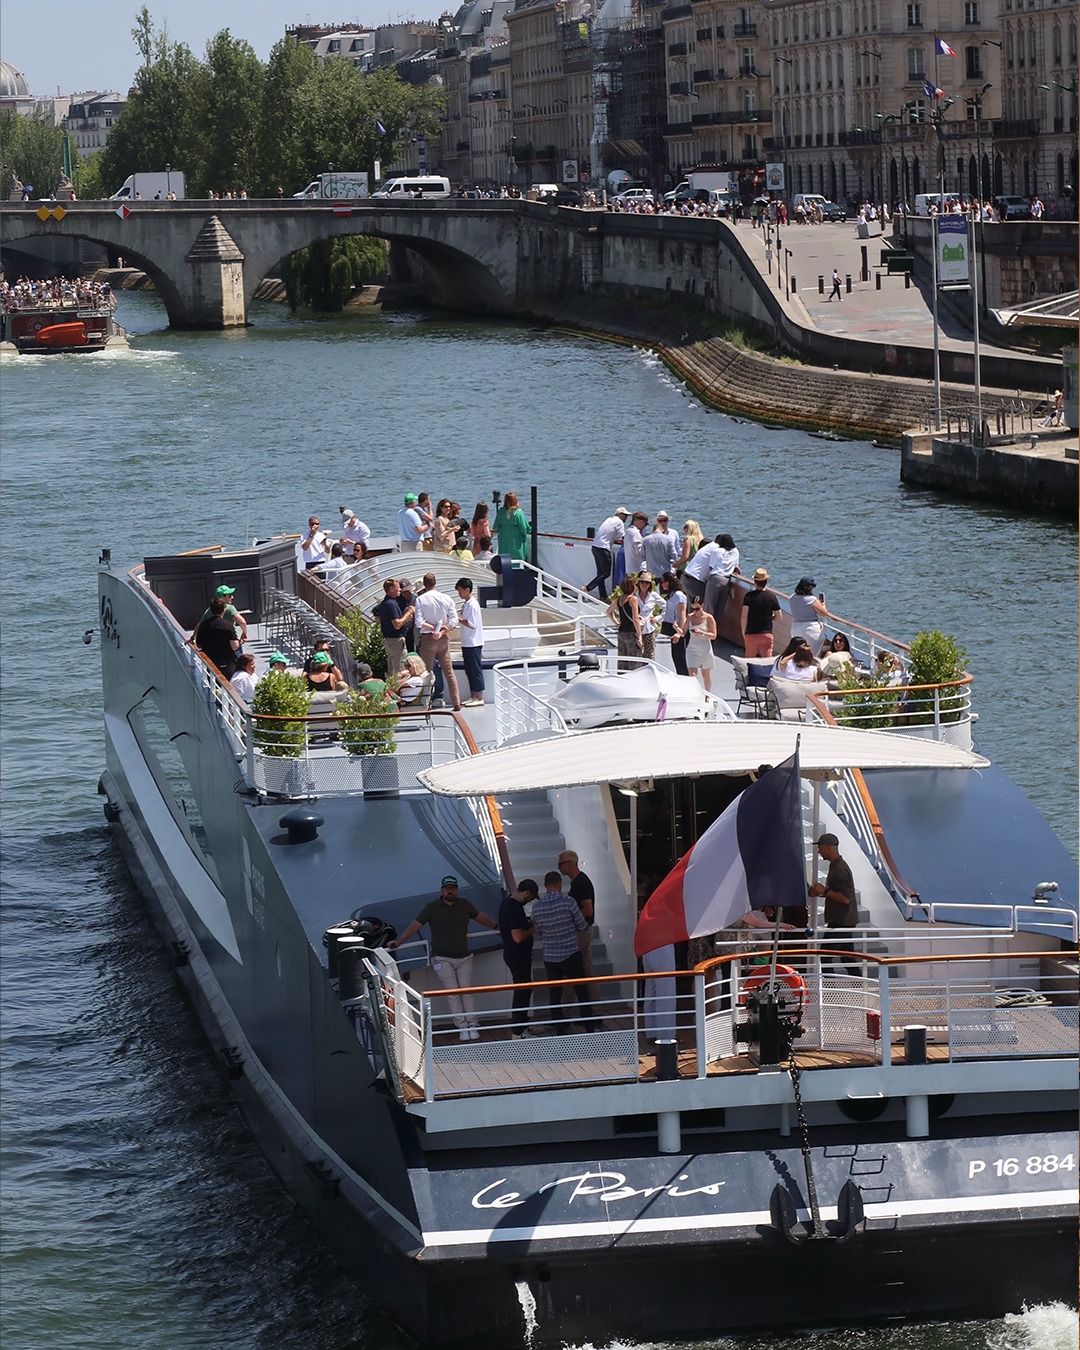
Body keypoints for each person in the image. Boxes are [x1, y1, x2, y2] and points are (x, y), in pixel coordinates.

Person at [390, 876, 498, 1041]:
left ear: (456, 890)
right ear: (442, 890)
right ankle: (462, 1026)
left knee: (467, 991)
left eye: (453, 888)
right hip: (442, 959)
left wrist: (497, 927)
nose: (450, 891)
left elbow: (480, 917)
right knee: (453, 993)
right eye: (447, 888)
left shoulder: (465, 905)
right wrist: (399, 942)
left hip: (464, 957)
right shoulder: (432, 908)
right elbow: (415, 925)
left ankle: (473, 1024)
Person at [530, 870, 592, 1029]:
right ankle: (589, 1027)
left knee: (555, 994)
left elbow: (538, 932)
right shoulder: (569, 902)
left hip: (550, 956)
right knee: (581, 991)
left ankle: (559, 1030)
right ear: (559, 884)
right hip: (571, 953)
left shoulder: (536, 908)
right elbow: (581, 925)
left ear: (545, 886)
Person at [807, 833, 860, 977]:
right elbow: (839, 895)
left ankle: (830, 989)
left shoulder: (839, 869)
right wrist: (821, 893)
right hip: (844, 920)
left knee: (825, 956)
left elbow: (845, 898)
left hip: (840, 922)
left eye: (820, 848)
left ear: (828, 848)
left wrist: (824, 890)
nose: (818, 851)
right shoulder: (837, 866)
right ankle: (860, 986)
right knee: (847, 958)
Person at [415, 573, 461, 711]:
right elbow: (454, 620)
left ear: (424, 584)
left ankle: (425, 704)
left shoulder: (420, 600)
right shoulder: (446, 598)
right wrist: (441, 630)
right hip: (443, 638)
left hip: (428, 639)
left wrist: (433, 629)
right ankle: (456, 703)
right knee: (449, 672)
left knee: (426, 673)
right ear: (436, 583)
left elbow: (418, 622)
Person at [498, 879, 538, 1035]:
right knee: (522, 991)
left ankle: (522, 1024)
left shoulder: (506, 904)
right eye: (531, 897)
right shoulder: (514, 909)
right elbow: (518, 937)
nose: (530, 901)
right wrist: (533, 928)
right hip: (518, 956)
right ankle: (518, 1030)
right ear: (527, 893)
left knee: (524, 990)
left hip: (512, 955)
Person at [558, 850, 596, 978]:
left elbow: (588, 910)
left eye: (560, 864)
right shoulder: (578, 881)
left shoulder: (581, 883)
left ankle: (570, 997)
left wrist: (568, 913)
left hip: (582, 932)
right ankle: (591, 997)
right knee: (586, 969)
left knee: (571, 969)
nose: (559, 868)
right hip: (583, 930)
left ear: (569, 863)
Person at [584, 506, 628, 600]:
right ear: (619, 515)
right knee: (606, 573)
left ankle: (603, 595)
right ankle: (588, 587)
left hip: (595, 547)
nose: (626, 518)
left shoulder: (609, 519)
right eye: (625, 515)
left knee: (600, 573)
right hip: (603, 548)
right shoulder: (619, 522)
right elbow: (622, 537)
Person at [373, 578, 414, 676]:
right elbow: (397, 624)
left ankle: (392, 688)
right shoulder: (391, 604)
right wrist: (409, 613)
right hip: (396, 641)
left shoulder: (386, 603)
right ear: (391, 589)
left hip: (389, 640)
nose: (400, 590)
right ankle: (398, 689)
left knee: (392, 668)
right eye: (398, 588)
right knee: (399, 669)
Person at [455, 577, 485, 707]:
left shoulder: (472, 605)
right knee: (470, 670)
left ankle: (479, 696)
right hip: (468, 642)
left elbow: (471, 624)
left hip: (473, 643)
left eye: (460, 591)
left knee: (475, 670)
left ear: (467, 590)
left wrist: (459, 619)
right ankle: (473, 695)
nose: (459, 593)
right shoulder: (468, 604)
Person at [741, 566, 781, 659]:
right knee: (767, 662)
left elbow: (744, 616)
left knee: (749, 662)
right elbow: (779, 616)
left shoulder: (748, 596)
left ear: (755, 582)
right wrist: (772, 617)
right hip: (766, 634)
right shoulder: (771, 597)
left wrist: (743, 632)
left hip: (751, 634)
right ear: (766, 581)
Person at [195, 597, 240, 677]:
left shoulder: (204, 625)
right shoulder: (227, 625)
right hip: (226, 663)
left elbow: (199, 643)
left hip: (209, 663)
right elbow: (235, 646)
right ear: (224, 609)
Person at [789, 576, 833, 655]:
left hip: (795, 629)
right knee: (812, 655)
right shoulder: (812, 599)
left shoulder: (792, 597)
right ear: (809, 587)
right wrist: (823, 604)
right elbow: (824, 613)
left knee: (799, 654)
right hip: (810, 630)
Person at [682, 595, 717, 691]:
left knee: (706, 675)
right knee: (692, 676)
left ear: (702, 605)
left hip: (705, 649)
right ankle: (696, 694)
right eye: (693, 609)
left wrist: (702, 633)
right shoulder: (689, 617)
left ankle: (708, 694)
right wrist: (677, 629)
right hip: (692, 649)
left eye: (697, 608)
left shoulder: (709, 618)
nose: (695, 611)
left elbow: (714, 635)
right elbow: (683, 632)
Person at [608, 575, 643, 668]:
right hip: (631, 633)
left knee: (622, 661)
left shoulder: (620, 599)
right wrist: (639, 635)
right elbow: (635, 618)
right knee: (634, 662)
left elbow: (609, 611)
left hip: (621, 633)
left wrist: (617, 623)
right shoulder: (633, 599)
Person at [660, 572, 689, 676]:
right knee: (675, 656)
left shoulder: (678, 595)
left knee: (680, 658)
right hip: (672, 627)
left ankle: (685, 680)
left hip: (678, 628)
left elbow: (682, 614)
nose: (662, 584)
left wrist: (679, 632)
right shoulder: (671, 595)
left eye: (663, 582)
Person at [492, 491, 530, 560]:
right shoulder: (519, 512)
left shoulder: (501, 511)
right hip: (516, 539)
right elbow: (524, 528)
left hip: (504, 539)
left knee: (504, 557)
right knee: (516, 557)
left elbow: (495, 527)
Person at [643, 511, 681, 579]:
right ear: (657, 521)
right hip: (658, 570)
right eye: (660, 521)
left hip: (669, 570)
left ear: (668, 521)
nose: (663, 523)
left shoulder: (674, 533)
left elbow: (677, 549)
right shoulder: (652, 537)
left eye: (665, 520)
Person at [635, 572, 662, 661]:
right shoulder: (634, 595)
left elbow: (666, 607)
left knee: (649, 654)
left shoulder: (653, 595)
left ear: (649, 585)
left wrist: (657, 618)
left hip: (649, 627)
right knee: (636, 653)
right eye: (642, 582)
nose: (644, 585)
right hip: (636, 628)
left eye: (646, 583)